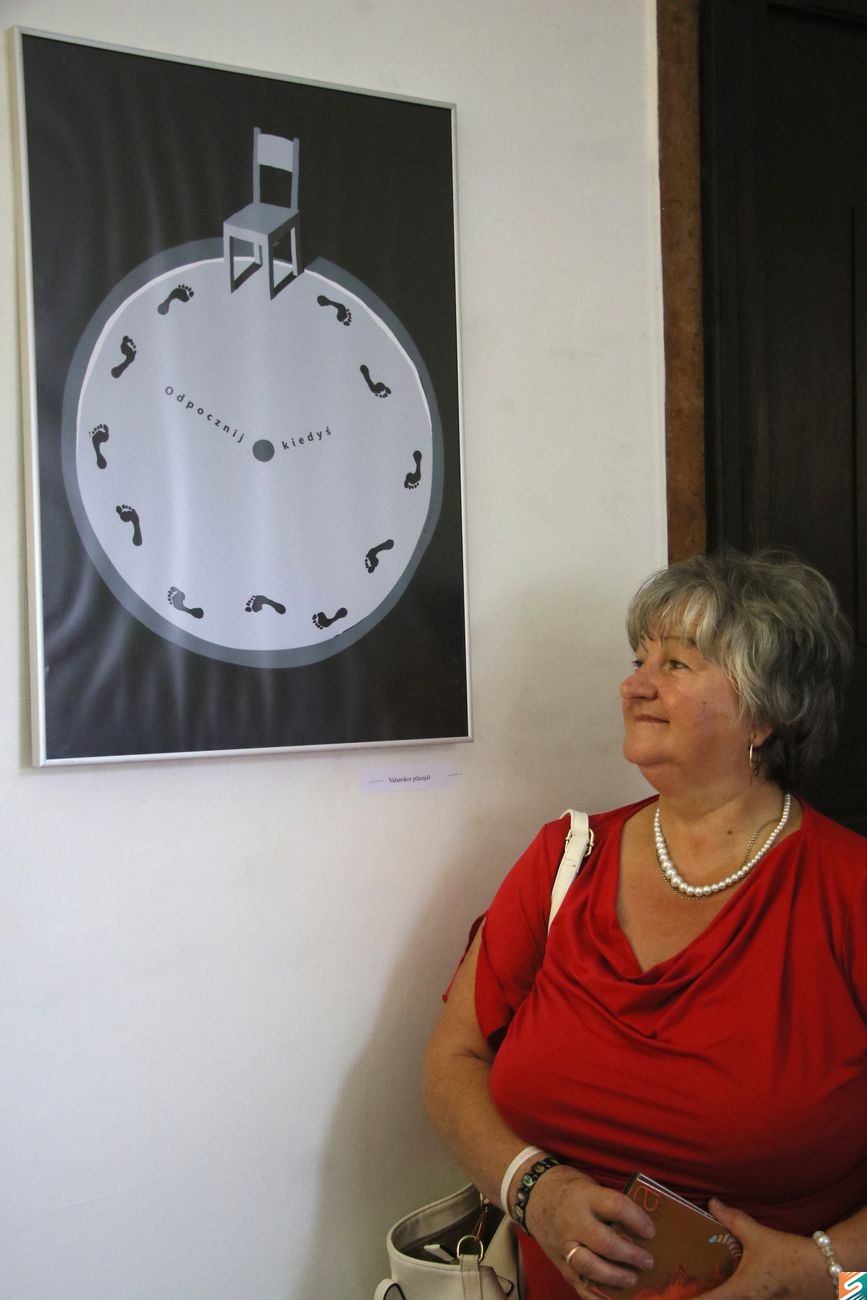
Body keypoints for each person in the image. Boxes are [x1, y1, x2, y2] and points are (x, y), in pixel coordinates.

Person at [423, 549, 867, 1298]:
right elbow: (450, 1059)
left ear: (764, 713)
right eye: (638, 660)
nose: (633, 685)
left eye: (676, 664)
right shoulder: (565, 858)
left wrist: (823, 1278)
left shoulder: (850, 892)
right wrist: (532, 1190)